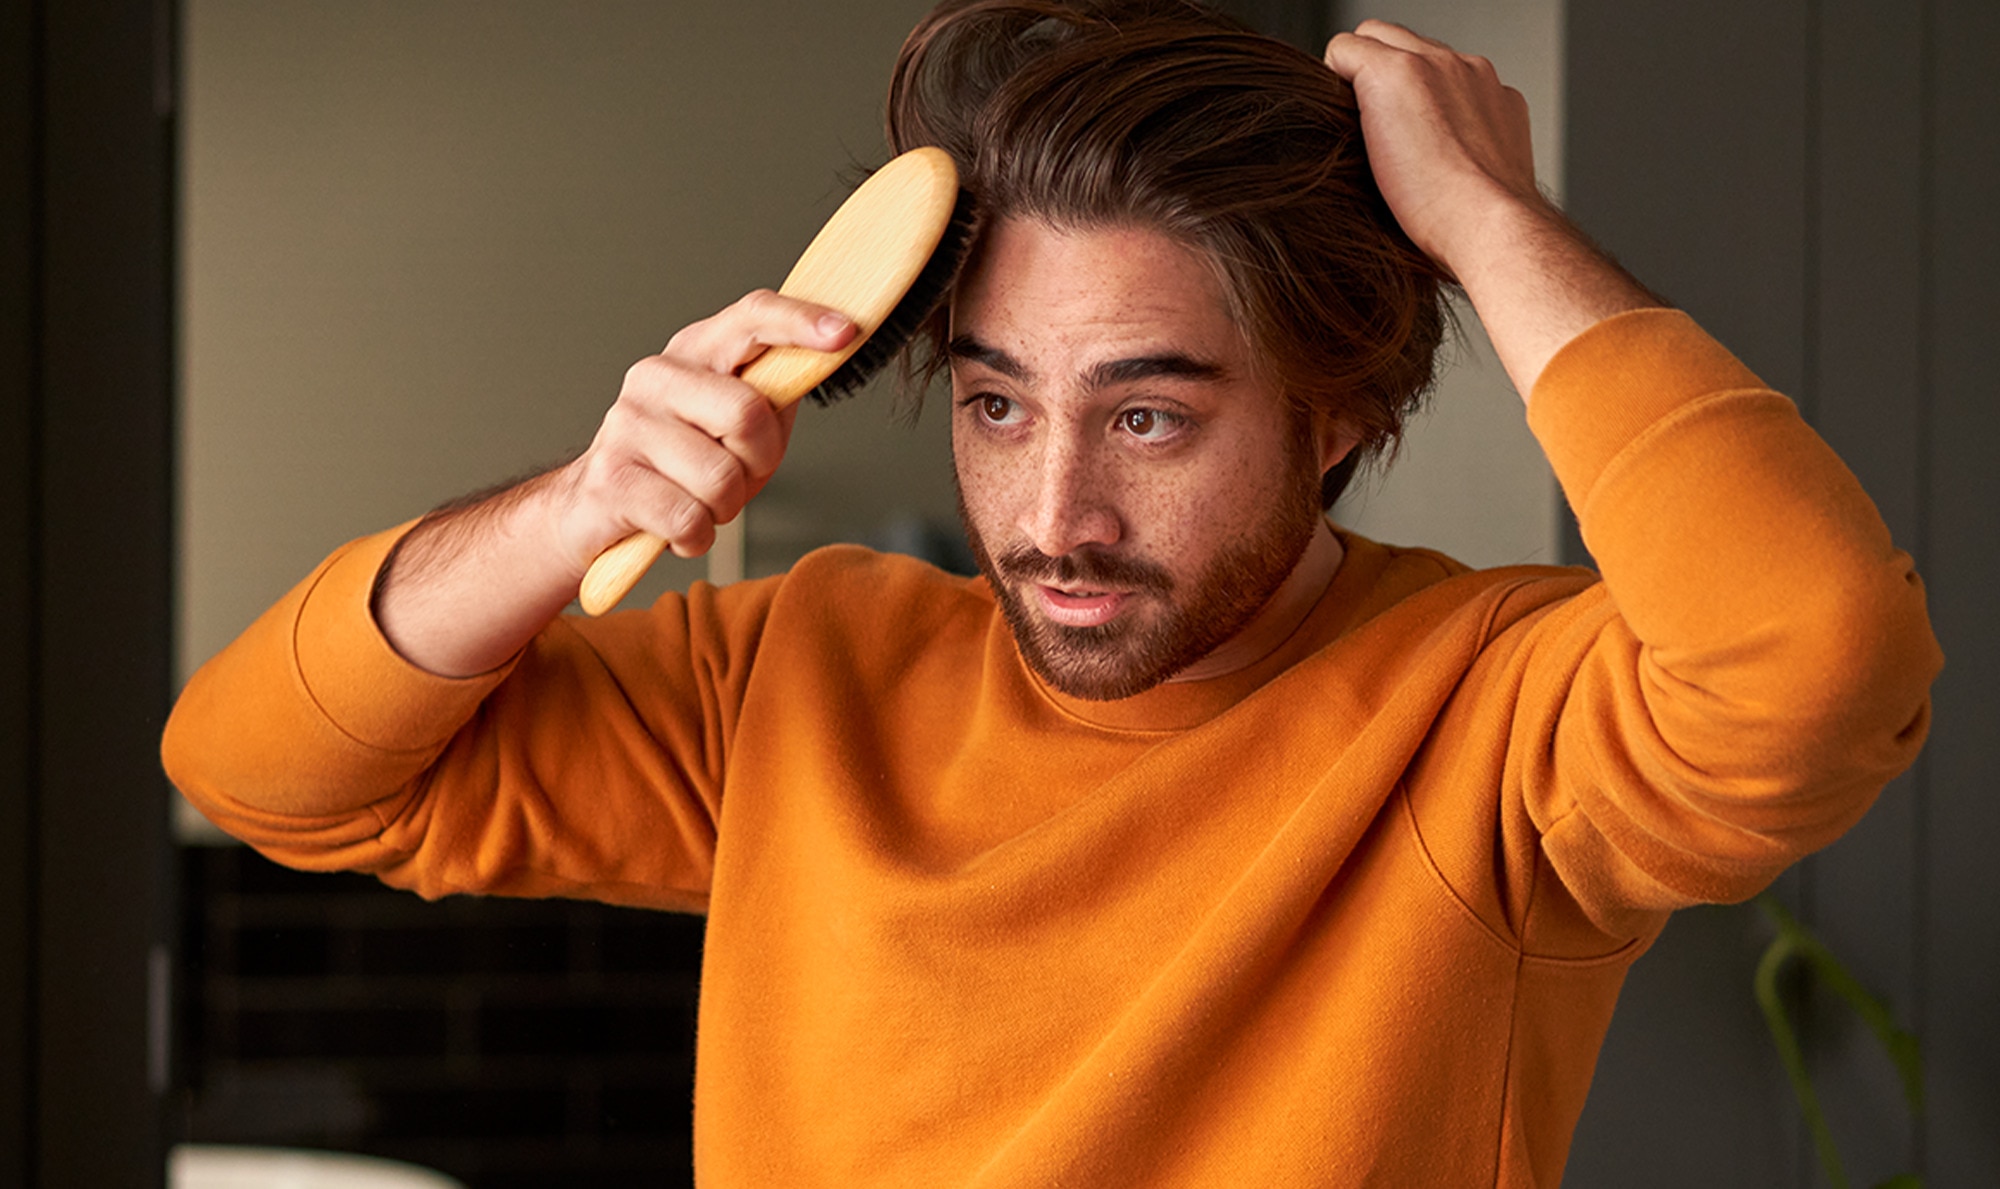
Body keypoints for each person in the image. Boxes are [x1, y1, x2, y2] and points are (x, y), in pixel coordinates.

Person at [162, 2, 1941, 1183]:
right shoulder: (805, 669)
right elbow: (259, 768)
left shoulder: (1491, 714)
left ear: (1338, 413)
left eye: (1148, 414)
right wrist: (576, 507)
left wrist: (1484, 218)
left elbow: (1818, 662)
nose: (1052, 515)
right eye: (999, 405)